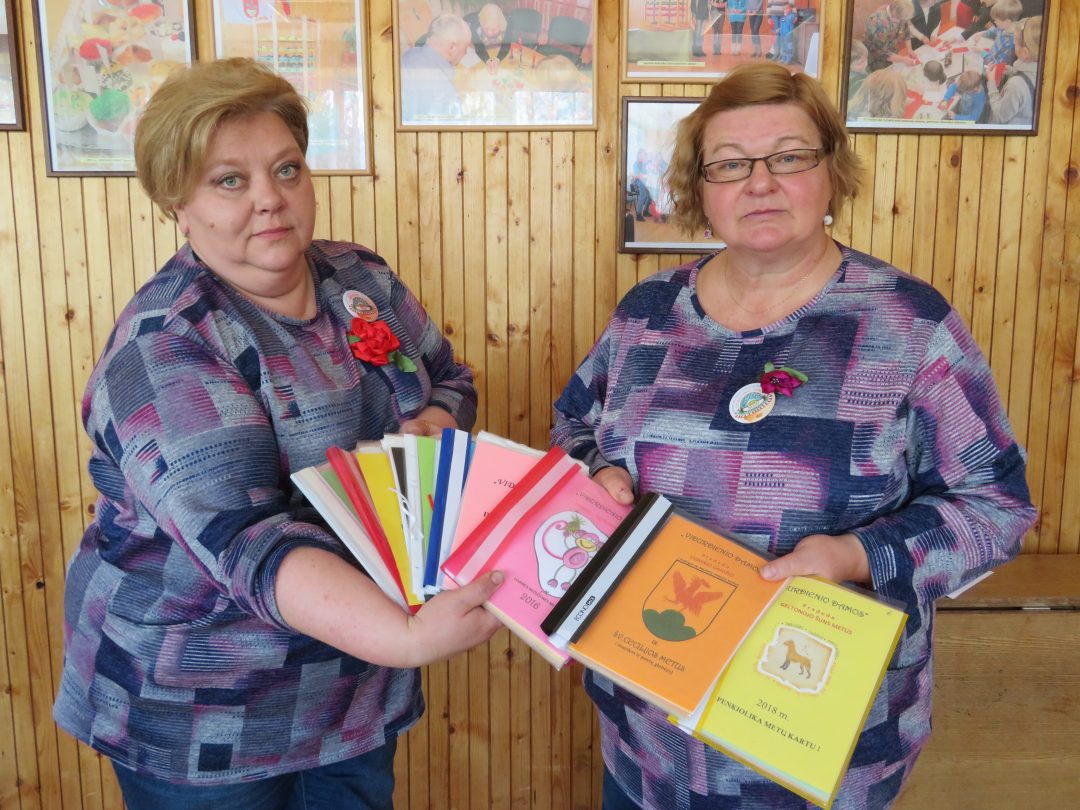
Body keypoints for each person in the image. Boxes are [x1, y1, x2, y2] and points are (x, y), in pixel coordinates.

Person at [551, 61, 1034, 809]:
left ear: (831, 172)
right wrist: (595, 473)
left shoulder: (910, 325)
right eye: (730, 164)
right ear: (700, 188)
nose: (760, 183)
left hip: (818, 742)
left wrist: (854, 556)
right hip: (648, 733)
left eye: (788, 156)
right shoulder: (648, 312)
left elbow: (995, 509)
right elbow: (573, 427)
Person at [52, 57, 504, 809]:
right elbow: (248, 542)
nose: (270, 198)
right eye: (229, 180)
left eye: (286, 169)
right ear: (177, 202)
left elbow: (449, 378)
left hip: (350, 687)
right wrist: (408, 640)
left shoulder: (360, 280)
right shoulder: (167, 344)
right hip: (202, 710)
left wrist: (434, 422)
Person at [400, 14, 472, 123]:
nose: (466, 53)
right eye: (466, 47)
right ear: (451, 47)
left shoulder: (410, 54)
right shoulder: (443, 90)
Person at [984, 14, 1040, 125]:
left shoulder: (1016, 85)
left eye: (1015, 41)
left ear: (1025, 52)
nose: (1013, 43)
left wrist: (991, 83)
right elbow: (1029, 78)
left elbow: (1000, 115)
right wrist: (1011, 71)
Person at [864, 0, 916, 71]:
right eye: (900, 19)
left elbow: (906, 31)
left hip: (890, 51)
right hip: (876, 57)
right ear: (894, 13)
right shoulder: (878, 23)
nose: (902, 22)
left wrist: (910, 49)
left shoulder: (900, 15)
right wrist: (904, 59)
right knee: (882, 73)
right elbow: (883, 53)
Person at [464, 3, 512, 68]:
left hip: (494, 49)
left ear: (501, 26)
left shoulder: (506, 26)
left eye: (493, 30)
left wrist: (497, 59)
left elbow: (506, 46)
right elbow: (479, 47)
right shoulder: (475, 26)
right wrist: (487, 60)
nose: (489, 33)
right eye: (485, 29)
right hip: (479, 50)